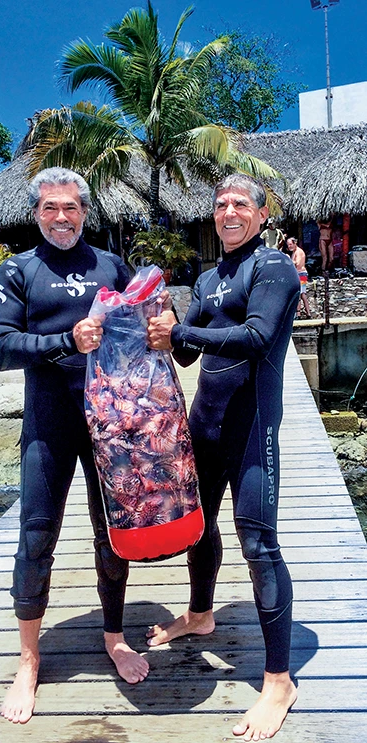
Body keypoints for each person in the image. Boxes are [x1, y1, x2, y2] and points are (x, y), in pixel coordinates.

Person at [0, 167, 150, 725]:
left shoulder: (110, 264)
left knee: (114, 534)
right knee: (36, 536)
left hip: (110, 425)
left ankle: (113, 635)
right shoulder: (18, 270)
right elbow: (1, 348)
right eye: (51, 208)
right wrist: (66, 339)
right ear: (37, 212)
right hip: (49, 424)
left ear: (85, 211)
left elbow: (138, 328)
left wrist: (161, 324)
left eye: (72, 208)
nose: (62, 217)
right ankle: (29, 659)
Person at [147, 173, 300, 741]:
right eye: (220, 203)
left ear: (261, 216)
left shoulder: (274, 268)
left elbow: (257, 337)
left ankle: (279, 680)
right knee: (195, 527)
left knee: (258, 543)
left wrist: (184, 330)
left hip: (251, 424)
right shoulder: (209, 277)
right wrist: (161, 327)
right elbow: (188, 354)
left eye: (241, 203)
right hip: (204, 425)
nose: (229, 211)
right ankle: (202, 614)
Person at [287, 237, 311, 318]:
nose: (289, 246)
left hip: (301, 274)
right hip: (298, 274)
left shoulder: (299, 252)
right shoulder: (294, 252)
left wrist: (288, 260)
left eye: (290, 244)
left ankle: (299, 314)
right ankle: (307, 313)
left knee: (300, 294)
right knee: (301, 294)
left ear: (295, 243)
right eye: (288, 245)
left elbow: (298, 263)